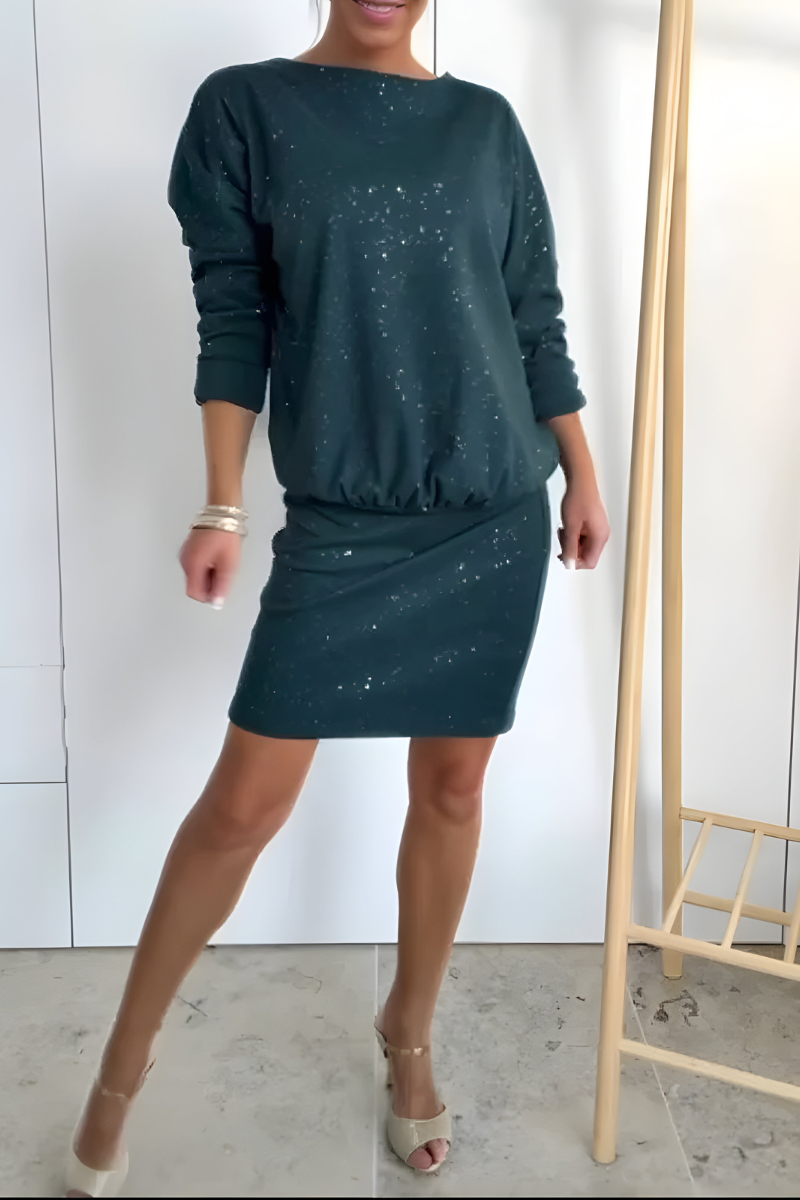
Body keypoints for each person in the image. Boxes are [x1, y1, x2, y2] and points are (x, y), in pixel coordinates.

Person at [64, 0, 610, 1193]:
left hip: (490, 511)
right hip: (344, 521)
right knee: (241, 808)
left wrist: (578, 467)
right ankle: (121, 1065)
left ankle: (408, 1035)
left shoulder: (483, 124)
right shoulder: (244, 110)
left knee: (453, 788)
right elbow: (233, 319)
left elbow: (531, 314)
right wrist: (221, 506)